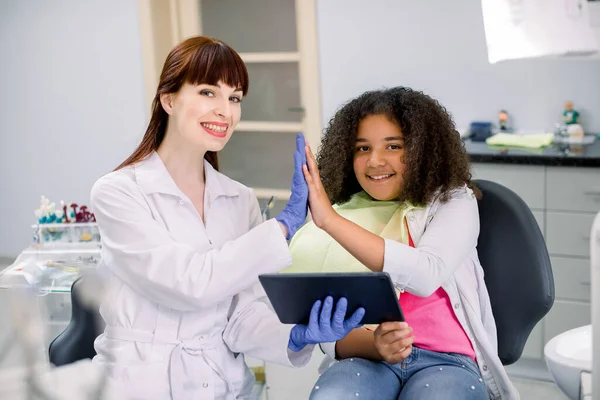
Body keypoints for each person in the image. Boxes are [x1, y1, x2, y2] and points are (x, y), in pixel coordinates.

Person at [90, 36, 364, 400]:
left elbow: (241, 318)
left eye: (234, 98)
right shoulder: (118, 192)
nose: (225, 110)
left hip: (221, 386)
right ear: (168, 99)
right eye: (208, 92)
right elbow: (188, 283)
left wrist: (296, 335)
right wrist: (281, 227)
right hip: (139, 385)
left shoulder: (239, 199)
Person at [288, 87, 519, 399]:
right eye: (362, 148)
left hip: (447, 360)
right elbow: (331, 330)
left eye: (393, 146)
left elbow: (424, 274)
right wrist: (375, 345)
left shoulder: (453, 200)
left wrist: (330, 221)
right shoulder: (346, 210)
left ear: (423, 148)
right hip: (368, 356)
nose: (375, 161)